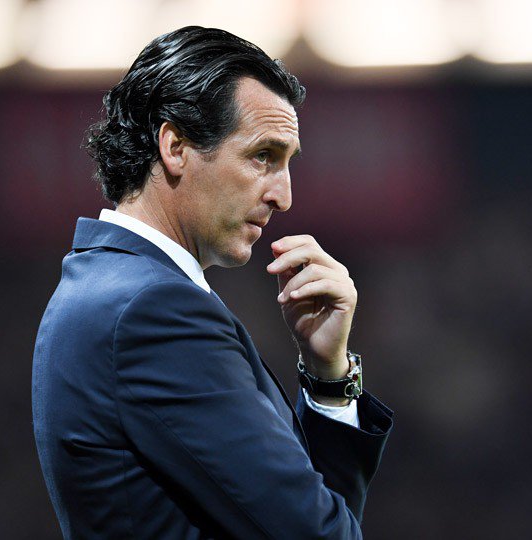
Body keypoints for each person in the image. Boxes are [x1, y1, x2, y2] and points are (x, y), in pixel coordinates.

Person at [32, 26, 393, 539]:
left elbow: (312, 512)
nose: (284, 196)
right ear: (176, 146)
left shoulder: (102, 284)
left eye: (287, 163)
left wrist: (328, 377)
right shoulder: (154, 311)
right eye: (263, 156)